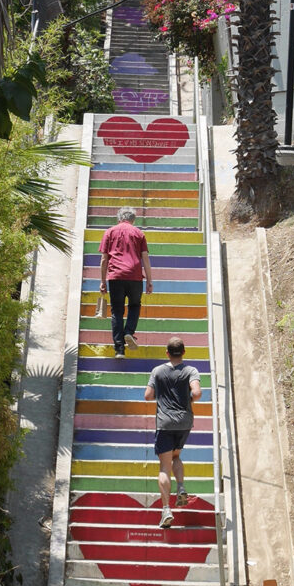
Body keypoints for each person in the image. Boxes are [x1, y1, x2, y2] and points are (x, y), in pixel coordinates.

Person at [145, 337, 202, 528]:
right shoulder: (191, 371)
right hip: (185, 422)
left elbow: (148, 396)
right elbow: (197, 393)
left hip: (165, 423)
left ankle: (166, 509)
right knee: (176, 456)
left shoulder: (158, 371)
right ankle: (181, 487)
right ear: (184, 352)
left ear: (167, 352)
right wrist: (187, 398)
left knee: (164, 465)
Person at [98, 207, 153, 358]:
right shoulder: (139, 233)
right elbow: (145, 258)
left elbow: (104, 260)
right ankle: (129, 332)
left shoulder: (109, 232)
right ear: (133, 219)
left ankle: (119, 349)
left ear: (119, 218)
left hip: (115, 276)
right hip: (135, 276)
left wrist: (102, 281)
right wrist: (149, 280)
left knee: (117, 311)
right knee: (135, 305)